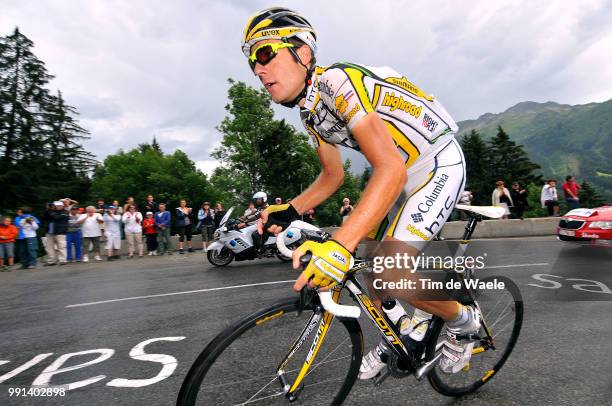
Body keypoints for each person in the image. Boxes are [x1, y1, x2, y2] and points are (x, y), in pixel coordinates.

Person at [246, 7, 477, 378]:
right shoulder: (310, 112)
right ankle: (406, 329)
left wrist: (338, 246)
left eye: (264, 53)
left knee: (386, 272)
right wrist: (291, 209)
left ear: (302, 52)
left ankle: (464, 323)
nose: (258, 69)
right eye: (252, 62)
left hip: (436, 163)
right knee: (363, 261)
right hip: (398, 175)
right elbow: (332, 176)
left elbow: (390, 168)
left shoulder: (338, 82)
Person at [43, 201, 69, 266]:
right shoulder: (51, 211)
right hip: (49, 232)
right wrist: (48, 209)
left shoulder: (65, 212)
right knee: (49, 247)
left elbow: (57, 217)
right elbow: (44, 217)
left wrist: (51, 211)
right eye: (55, 205)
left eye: (58, 205)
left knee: (62, 246)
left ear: (62, 206)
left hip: (60, 231)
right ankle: (52, 261)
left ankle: (63, 260)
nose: (57, 206)